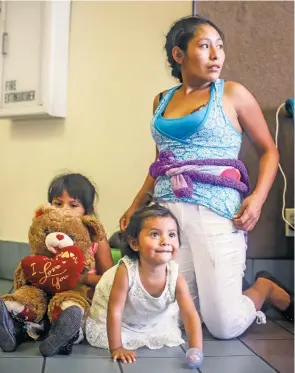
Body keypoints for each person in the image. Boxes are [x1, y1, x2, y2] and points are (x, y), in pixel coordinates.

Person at [119, 15, 293, 339]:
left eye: (220, 46)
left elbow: (270, 151)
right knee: (181, 321)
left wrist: (256, 199)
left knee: (223, 326)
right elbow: (161, 162)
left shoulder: (232, 94)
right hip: (167, 217)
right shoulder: (162, 100)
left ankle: (265, 288)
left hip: (217, 210)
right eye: (204, 45)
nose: (216, 55)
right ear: (178, 55)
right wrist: (136, 204)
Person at [86, 205, 203, 367]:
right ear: (134, 243)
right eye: (155, 234)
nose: (165, 241)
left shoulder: (175, 276)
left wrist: (195, 349)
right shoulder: (126, 271)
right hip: (121, 321)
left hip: (151, 319)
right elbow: (115, 310)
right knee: (105, 322)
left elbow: (190, 314)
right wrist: (117, 347)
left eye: (172, 234)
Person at [48, 173, 114, 287]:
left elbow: (111, 279)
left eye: (73, 205)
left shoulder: (96, 237)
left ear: (87, 211)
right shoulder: (47, 234)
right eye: (58, 204)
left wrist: (84, 278)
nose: (64, 210)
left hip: (83, 295)